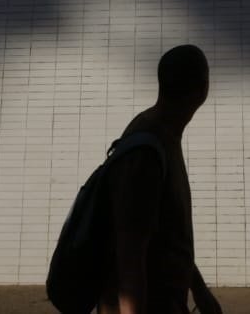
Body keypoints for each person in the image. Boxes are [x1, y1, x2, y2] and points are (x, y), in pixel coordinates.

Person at [99, 45, 222, 314]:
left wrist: (199, 290)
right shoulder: (148, 149)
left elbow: (167, 232)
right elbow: (130, 256)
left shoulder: (162, 136)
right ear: (203, 88)